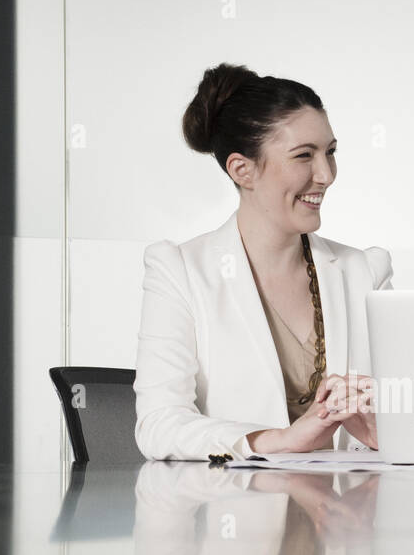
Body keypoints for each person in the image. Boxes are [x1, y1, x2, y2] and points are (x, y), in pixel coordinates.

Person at [134, 63, 393, 461]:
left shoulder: (366, 273)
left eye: (330, 152)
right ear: (242, 169)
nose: (326, 174)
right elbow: (159, 425)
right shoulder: (180, 272)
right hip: (238, 513)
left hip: (347, 515)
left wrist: (383, 428)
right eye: (304, 155)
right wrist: (281, 439)